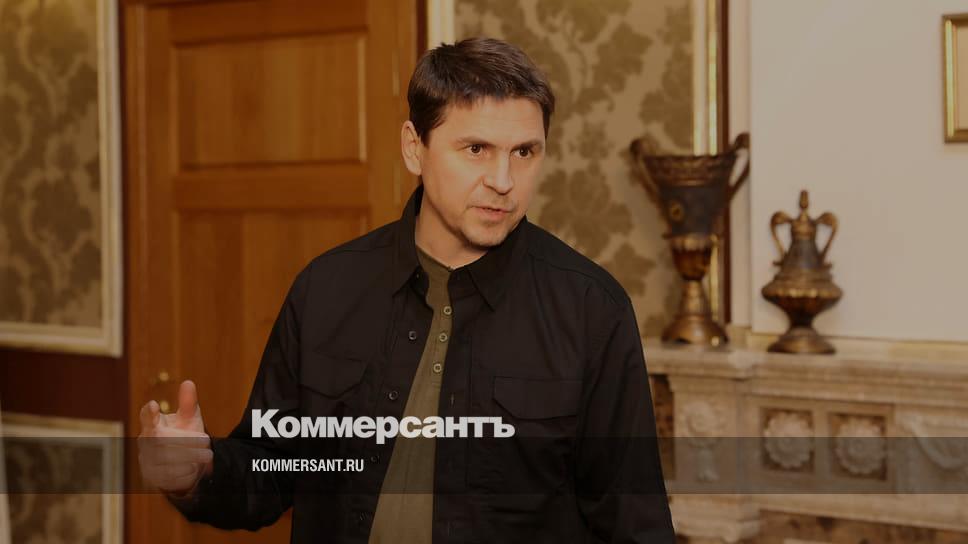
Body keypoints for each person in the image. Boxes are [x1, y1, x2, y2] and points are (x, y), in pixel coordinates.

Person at [138, 37, 674, 543]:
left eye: (525, 152)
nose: (504, 181)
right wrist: (198, 472)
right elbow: (273, 470)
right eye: (476, 149)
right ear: (414, 148)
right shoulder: (326, 289)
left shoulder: (592, 310)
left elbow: (634, 525)